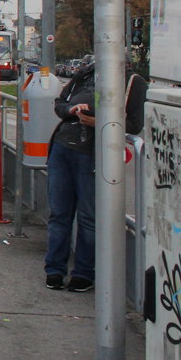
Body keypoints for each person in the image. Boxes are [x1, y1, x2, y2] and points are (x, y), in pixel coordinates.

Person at [43, 62, 147, 293]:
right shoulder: (86, 73)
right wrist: (71, 110)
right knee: (59, 213)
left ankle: (83, 273)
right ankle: (55, 270)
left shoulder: (133, 82)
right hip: (63, 147)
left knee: (89, 216)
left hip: (93, 154)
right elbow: (60, 103)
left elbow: (135, 124)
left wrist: (99, 121)